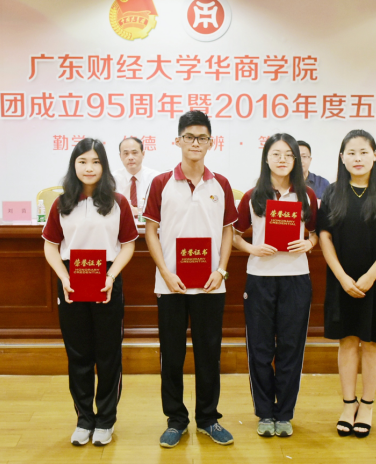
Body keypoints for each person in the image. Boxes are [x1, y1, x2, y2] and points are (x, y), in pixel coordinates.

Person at [143, 111, 238, 448]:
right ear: (178, 140)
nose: (195, 143)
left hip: (211, 284)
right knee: (171, 354)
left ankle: (208, 418)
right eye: (189, 137)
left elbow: (228, 231)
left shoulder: (221, 184)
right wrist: (165, 272)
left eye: (202, 138)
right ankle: (176, 420)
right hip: (171, 285)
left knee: (209, 353)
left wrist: (221, 270)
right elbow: (150, 231)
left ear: (211, 142)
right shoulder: (161, 183)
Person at [42, 138, 138, 447]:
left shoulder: (118, 202)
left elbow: (128, 245)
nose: (89, 167)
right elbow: (50, 246)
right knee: (78, 355)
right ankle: (84, 419)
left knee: (108, 355)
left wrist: (111, 276)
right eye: (82, 161)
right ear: (74, 165)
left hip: (107, 279)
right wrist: (63, 276)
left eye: (96, 161)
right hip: (71, 280)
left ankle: (106, 419)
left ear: (104, 166)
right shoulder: (62, 203)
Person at [317, 130, 376, 439]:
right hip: (342, 281)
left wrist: (370, 276)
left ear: (375, 156)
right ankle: (348, 404)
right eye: (351, 152)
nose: (357, 158)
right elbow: (324, 236)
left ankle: (366, 405)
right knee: (346, 340)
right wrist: (342, 277)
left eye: (363, 152)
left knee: (372, 342)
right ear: (342, 157)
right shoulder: (333, 192)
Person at [232, 133, 318, 438]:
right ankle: (265, 413)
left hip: (296, 278)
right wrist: (252, 249)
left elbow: (316, 234)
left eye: (288, 155)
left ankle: (284, 414)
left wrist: (308, 243)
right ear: (266, 158)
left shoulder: (307, 195)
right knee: (260, 348)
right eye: (276, 154)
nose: (282, 160)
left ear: (296, 160)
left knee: (291, 348)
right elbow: (234, 236)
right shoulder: (252, 195)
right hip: (260, 279)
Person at [112, 137, 159, 217]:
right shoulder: (113, 179)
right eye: (126, 154)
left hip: (149, 222)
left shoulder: (155, 178)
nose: (130, 157)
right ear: (120, 156)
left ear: (143, 154)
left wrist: (139, 211)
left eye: (134, 153)